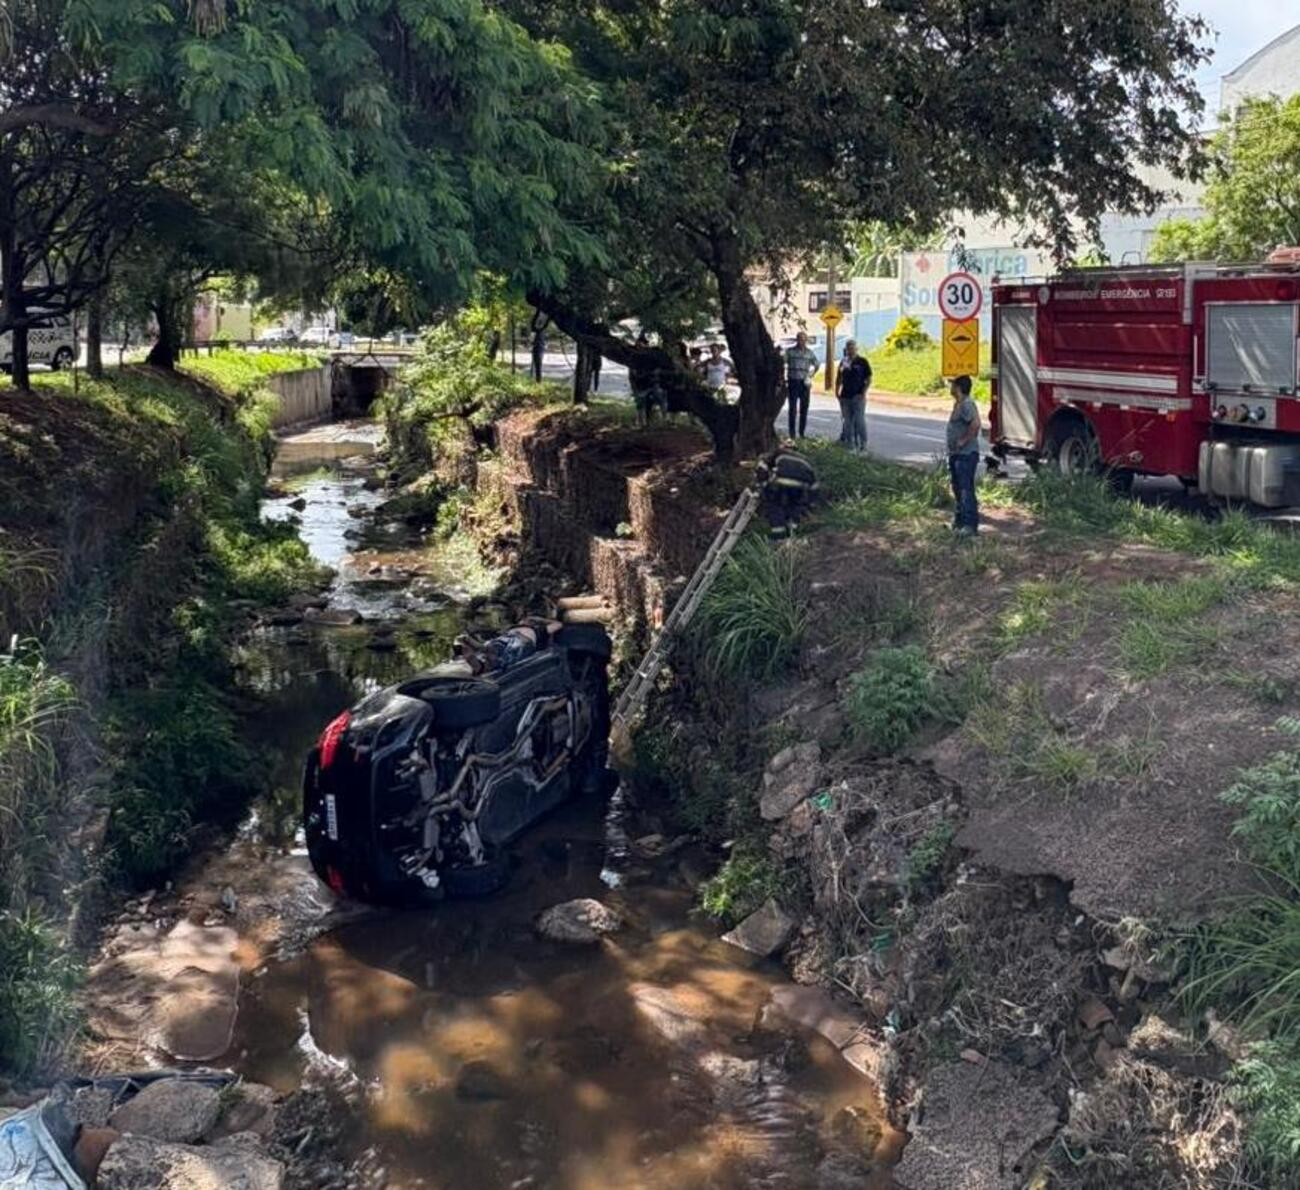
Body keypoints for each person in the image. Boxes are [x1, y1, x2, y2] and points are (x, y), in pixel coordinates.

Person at [947, 375, 981, 536]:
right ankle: (959, 521)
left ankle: (970, 525)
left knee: (966, 489)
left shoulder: (967, 404)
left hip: (966, 454)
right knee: (957, 488)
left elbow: (975, 424)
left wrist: (963, 440)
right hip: (956, 454)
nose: (950, 387)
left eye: (953, 385)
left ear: (959, 388)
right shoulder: (958, 404)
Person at [836, 340, 871, 451]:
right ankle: (850, 444)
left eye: (852, 348)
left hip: (858, 396)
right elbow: (839, 378)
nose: (850, 350)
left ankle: (863, 443)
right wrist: (837, 391)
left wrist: (863, 392)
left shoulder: (862, 362)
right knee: (847, 421)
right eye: (848, 348)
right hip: (845, 396)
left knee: (859, 420)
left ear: (856, 349)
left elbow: (869, 378)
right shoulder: (844, 362)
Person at [784, 331, 818, 440]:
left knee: (804, 408)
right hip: (793, 381)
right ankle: (792, 433)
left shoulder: (809, 353)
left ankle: (802, 433)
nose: (801, 341)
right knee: (792, 409)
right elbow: (783, 362)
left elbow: (816, 364)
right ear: (797, 340)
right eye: (799, 339)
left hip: (804, 383)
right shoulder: (790, 352)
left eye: (803, 339)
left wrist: (811, 375)